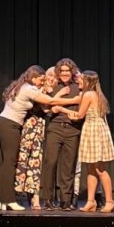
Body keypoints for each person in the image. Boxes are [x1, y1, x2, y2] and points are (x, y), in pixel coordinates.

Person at [0, 65, 73, 211]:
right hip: (10, 126)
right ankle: (9, 200)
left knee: (0, 163)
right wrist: (75, 100)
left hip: (1, 122)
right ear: (34, 78)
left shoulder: (20, 85)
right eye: (41, 80)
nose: (42, 82)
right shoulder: (29, 89)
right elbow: (50, 102)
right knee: (9, 163)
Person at [53, 70, 114, 213]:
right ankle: (91, 201)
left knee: (100, 169)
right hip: (92, 130)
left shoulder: (88, 94)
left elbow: (79, 115)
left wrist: (61, 109)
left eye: (81, 79)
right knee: (90, 169)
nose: (79, 82)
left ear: (88, 81)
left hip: (94, 131)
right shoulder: (95, 94)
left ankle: (110, 201)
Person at [40, 59, 83, 211]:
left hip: (73, 129)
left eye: (67, 71)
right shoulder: (53, 87)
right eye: (62, 71)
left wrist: (60, 107)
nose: (65, 73)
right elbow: (47, 107)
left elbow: (81, 107)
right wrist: (57, 103)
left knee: (68, 167)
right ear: (58, 72)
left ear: (72, 72)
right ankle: (48, 199)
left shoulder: (78, 87)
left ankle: (66, 200)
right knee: (50, 163)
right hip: (55, 127)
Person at [14, 67, 57, 210]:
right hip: (28, 127)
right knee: (22, 160)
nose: (50, 79)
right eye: (48, 76)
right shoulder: (34, 90)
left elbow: (48, 111)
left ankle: (35, 197)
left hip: (39, 128)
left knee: (35, 162)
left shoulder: (48, 90)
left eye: (52, 76)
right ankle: (16, 195)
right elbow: (45, 108)